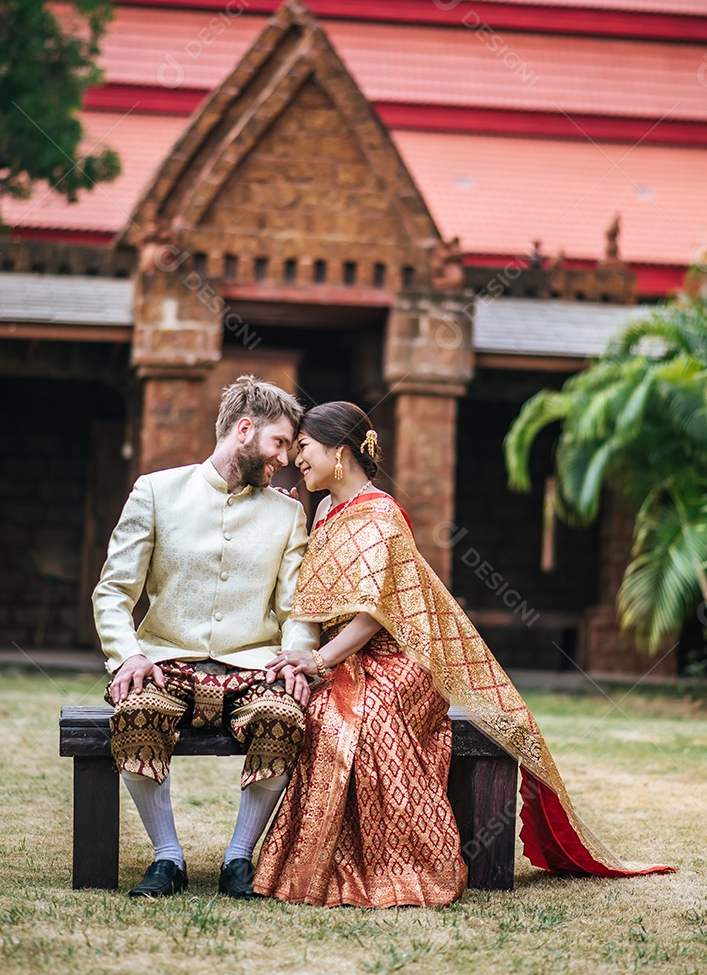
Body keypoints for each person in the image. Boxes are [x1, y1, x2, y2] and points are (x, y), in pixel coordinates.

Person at [253, 402, 674, 908]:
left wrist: (320, 663)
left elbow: (373, 615)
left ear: (338, 451)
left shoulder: (383, 514)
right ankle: (322, 860)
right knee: (320, 710)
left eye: (302, 447)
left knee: (348, 717)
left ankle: (404, 865)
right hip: (343, 655)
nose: (295, 458)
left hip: (393, 659)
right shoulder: (322, 511)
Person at [92, 375, 319, 900]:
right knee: (133, 712)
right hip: (164, 660)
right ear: (244, 430)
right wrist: (127, 655)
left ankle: (239, 859)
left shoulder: (287, 513)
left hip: (252, 665)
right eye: (279, 442)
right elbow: (113, 592)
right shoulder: (155, 492)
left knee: (284, 717)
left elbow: (295, 607)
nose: (286, 458)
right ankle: (167, 858)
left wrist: (295, 658)